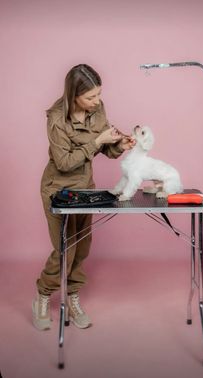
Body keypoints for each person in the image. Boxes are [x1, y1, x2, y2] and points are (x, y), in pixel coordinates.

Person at [32, 64, 135, 331]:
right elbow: (65, 162)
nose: (97, 101)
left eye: (99, 95)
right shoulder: (56, 118)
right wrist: (97, 141)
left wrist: (118, 145)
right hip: (58, 189)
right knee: (65, 248)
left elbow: (105, 150)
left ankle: (72, 295)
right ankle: (43, 295)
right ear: (73, 94)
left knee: (83, 246)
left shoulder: (97, 109)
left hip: (85, 188)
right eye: (90, 97)